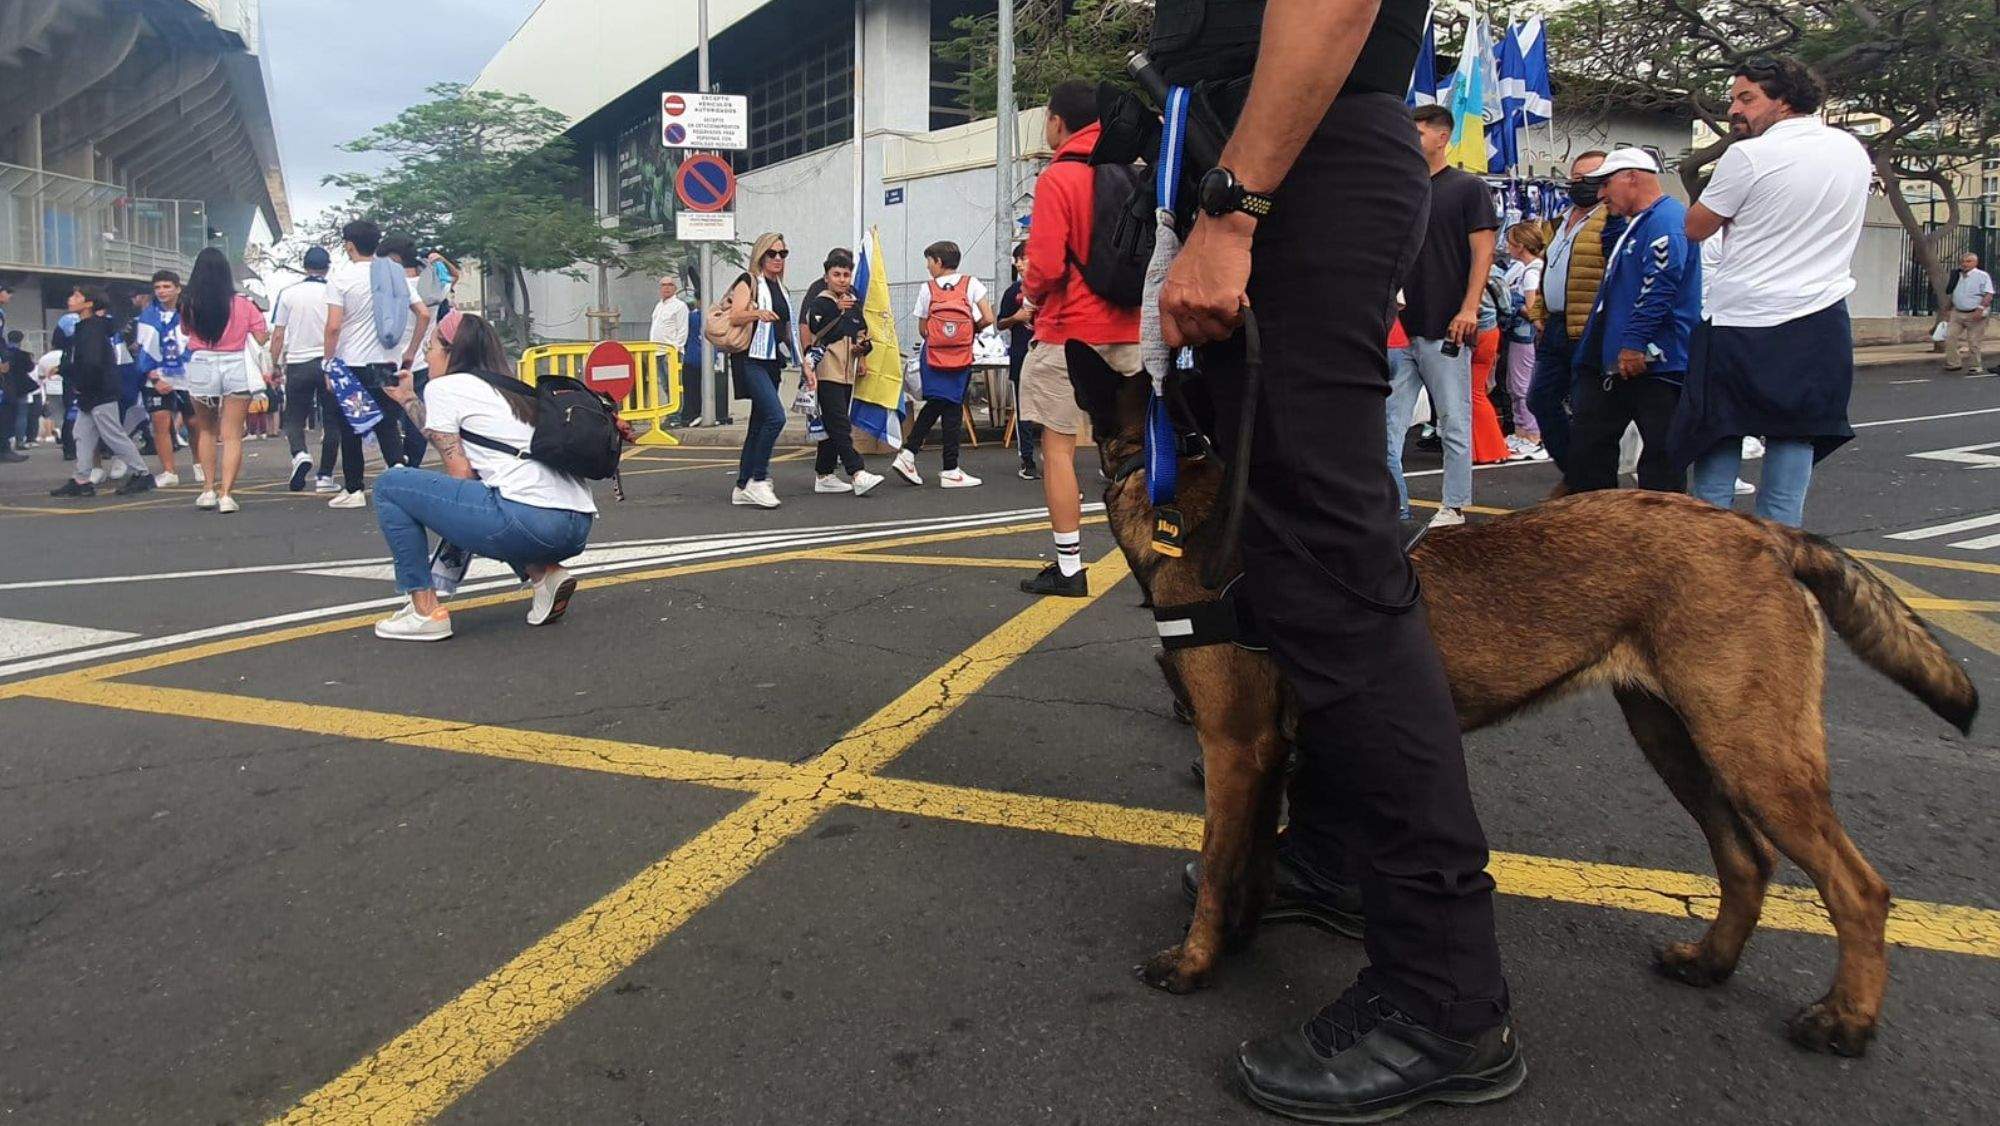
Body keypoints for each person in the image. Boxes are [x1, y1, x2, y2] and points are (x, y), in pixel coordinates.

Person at [1156, 3, 1521, 1117]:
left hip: (1294, 166)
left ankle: (1442, 996)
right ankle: (1324, 860)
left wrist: (1235, 204)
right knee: (1285, 567)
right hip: (1275, 158)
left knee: (1331, 576)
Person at [1676, 56, 1872, 528]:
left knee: (1718, 436)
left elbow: (1696, 227)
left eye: (1746, 98)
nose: (1734, 110)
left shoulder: (1748, 156)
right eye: (1733, 99)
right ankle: (1781, 560)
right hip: (1820, 316)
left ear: (1783, 101)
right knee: (1795, 437)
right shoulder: (1851, 150)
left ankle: (1708, 557)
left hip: (1742, 317)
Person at [371, 312, 596, 641]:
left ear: (452, 351)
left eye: (430, 346)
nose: (425, 355)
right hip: (576, 525)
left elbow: (461, 473)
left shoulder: (444, 387)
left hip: (528, 521)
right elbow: (448, 435)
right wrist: (408, 399)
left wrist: (455, 532)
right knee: (499, 496)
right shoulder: (512, 389)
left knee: (390, 485)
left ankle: (424, 610)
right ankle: (546, 574)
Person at [1018, 79, 1142, 596]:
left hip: (1070, 332)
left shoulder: (1060, 177)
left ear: (1056, 120)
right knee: (1143, 447)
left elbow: (1044, 266)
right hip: (1133, 330)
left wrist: (1029, 297)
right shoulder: (1133, 173)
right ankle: (1159, 559)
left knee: (1060, 450)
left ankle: (1070, 568)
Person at [1385, 103, 1499, 527]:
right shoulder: (1403, 188)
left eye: (1417, 134)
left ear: (1441, 137)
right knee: (1388, 431)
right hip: (1400, 328)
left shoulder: (1468, 188)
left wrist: (1469, 308)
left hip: (1446, 324)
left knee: (1453, 420)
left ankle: (1454, 506)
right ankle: (1396, 509)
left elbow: (1482, 252)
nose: (1410, 142)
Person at [1564, 149, 1700, 494]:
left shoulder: (1667, 220)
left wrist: (1634, 342)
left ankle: (1660, 532)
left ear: (1632, 177)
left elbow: (1660, 285)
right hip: (1620, 360)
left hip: (1654, 363)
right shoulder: (1639, 221)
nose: (1600, 194)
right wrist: (1612, 215)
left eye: (1606, 184)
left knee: (1660, 456)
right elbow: (1612, 251)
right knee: (1590, 446)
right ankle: (1597, 522)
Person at [322, 218, 431, 509]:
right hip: (385, 362)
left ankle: (355, 490)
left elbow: (333, 326)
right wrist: (410, 351)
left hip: (352, 364)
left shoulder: (340, 279)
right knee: (388, 422)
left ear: (349, 245)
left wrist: (328, 364)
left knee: (352, 427)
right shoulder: (394, 275)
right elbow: (423, 314)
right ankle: (399, 473)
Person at [1524, 152, 1619, 477]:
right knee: (1540, 399)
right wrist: (1539, 309)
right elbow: (1549, 269)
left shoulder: (1611, 220)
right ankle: (1578, 476)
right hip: (1555, 326)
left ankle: (1591, 485)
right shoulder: (1560, 221)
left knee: (1589, 411)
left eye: (1587, 178)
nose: (1578, 184)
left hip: (1589, 328)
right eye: (1575, 178)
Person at [177, 247, 271, 512]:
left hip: (201, 364)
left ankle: (207, 489)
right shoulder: (243, 303)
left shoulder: (188, 302)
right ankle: (227, 494)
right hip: (235, 365)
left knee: (205, 430)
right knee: (232, 435)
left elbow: (186, 331)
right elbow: (261, 337)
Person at [892, 240, 992, 489]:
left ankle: (919, 457)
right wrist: (967, 333)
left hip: (934, 356)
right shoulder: (972, 284)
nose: (928, 267)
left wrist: (941, 336)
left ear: (939, 261)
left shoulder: (928, 289)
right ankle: (946, 467)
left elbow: (923, 328)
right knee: (951, 406)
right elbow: (988, 317)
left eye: (929, 261)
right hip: (961, 355)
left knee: (939, 403)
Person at [49, 287, 155, 498]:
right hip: (93, 391)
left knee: (112, 434)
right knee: (82, 434)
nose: (71, 299)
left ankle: (142, 473)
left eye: (77, 296)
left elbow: (92, 363)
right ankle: (81, 479)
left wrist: (77, 379)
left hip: (99, 390)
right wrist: (66, 370)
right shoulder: (88, 327)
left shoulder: (92, 329)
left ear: (89, 304)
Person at [718, 231, 794, 509]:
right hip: (750, 359)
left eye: (782, 254)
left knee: (759, 423)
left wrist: (803, 356)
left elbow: (785, 328)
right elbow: (737, 314)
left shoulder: (781, 288)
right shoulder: (748, 281)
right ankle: (758, 480)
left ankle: (741, 485)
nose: (777, 259)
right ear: (760, 256)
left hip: (772, 360)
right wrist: (757, 313)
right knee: (776, 417)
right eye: (771, 254)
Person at [800, 249, 885, 496]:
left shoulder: (853, 303)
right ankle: (857, 472)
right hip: (826, 370)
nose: (842, 279)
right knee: (839, 423)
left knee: (831, 424)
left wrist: (863, 348)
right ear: (826, 277)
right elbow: (816, 327)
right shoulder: (821, 303)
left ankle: (824, 474)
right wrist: (837, 310)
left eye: (846, 274)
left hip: (848, 371)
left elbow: (862, 334)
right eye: (836, 274)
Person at [270, 246, 335, 490]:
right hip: (328, 360)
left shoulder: (288, 293)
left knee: (294, 417)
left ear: (304, 265)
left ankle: (299, 453)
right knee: (332, 421)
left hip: (298, 361)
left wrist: (274, 364)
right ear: (328, 267)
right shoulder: (335, 291)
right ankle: (325, 477)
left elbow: (278, 334)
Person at [379, 236, 438, 467]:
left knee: (387, 417)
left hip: (389, 359)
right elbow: (454, 276)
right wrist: (437, 259)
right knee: (416, 414)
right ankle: (412, 463)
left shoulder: (392, 288)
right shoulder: (433, 285)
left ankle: (396, 462)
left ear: (394, 260)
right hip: (422, 361)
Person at [134, 270, 193, 486]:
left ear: (178, 288)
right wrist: (155, 376)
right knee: (160, 422)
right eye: (158, 287)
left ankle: (199, 464)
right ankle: (169, 471)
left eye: (167, 287)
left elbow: (195, 344)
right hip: (156, 377)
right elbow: (144, 349)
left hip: (186, 375)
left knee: (194, 422)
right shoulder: (148, 315)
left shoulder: (190, 313)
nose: (161, 291)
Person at [1499, 224, 1547, 457]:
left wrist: (1513, 307)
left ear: (1520, 246)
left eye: (1510, 242)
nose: (1507, 247)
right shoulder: (1529, 268)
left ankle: (1532, 433)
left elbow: (1531, 309)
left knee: (1520, 385)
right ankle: (1521, 431)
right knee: (1515, 383)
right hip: (1521, 334)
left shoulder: (1530, 273)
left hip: (1523, 335)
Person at [995, 241, 1041, 479]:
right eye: (1017, 260)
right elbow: (1000, 322)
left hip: (1048, 355)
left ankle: (1055, 457)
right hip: (1022, 355)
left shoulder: (1051, 289)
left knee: (1050, 409)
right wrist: (1016, 317)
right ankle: (1027, 460)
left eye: (1023, 258)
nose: (1019, 264)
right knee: (1024, 411)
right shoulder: (1013, 291)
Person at [1943, 252, 1992, 374]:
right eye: (1963, 261)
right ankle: (1953, 363)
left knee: (1973, 341)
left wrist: (1980, 309)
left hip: (1975, 312)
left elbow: (1988, 294)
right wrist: (1948, 309)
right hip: (1957, 312)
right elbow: (1952, 292)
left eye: (1968, 261)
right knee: (1950, 336)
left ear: (1975, 263)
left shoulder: (1982, 276)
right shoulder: (1956, 275)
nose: (1965, 264)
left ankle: (1976, 366)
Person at [649, 275, 691, 418]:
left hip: (671, 353)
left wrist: (675, 350)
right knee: (666, 385)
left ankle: (676, 416)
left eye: (669, 285)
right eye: (663, 285)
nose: (666, 288)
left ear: (675, 288)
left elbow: (682, 330)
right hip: (656, 352)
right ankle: (670, 414)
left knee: (675, 385)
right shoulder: (659, 305)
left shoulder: (680, 306)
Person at [1, 330, 32, 458]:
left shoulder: (5, 350)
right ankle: (19, 440)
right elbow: (30, 368)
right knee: (21, 414)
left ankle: (9, 441)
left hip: (6, 386)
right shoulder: (23, 355)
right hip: (19, 388)